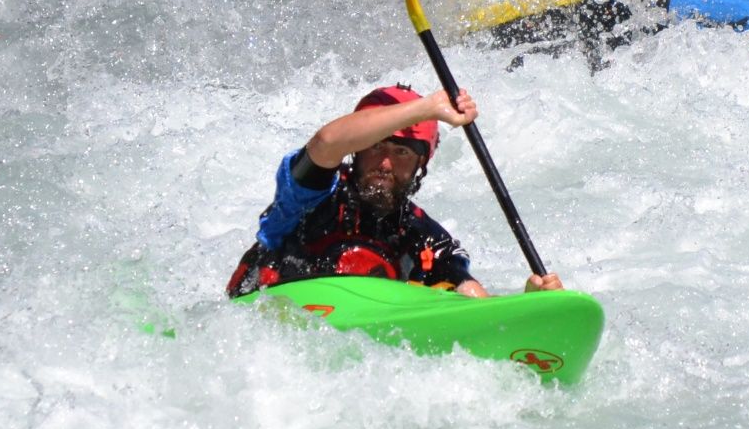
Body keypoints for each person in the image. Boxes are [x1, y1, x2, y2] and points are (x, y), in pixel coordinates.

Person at [225, 84, 562, 299]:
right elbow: (326, 142)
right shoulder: (308, 197)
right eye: (376, 147)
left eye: (401, 153)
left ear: (420, 164)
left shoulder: (421, 234)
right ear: (357, 150)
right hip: (263, 327)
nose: (385, 164)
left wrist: (530, 303)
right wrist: (427, 108)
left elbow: (470, 299)